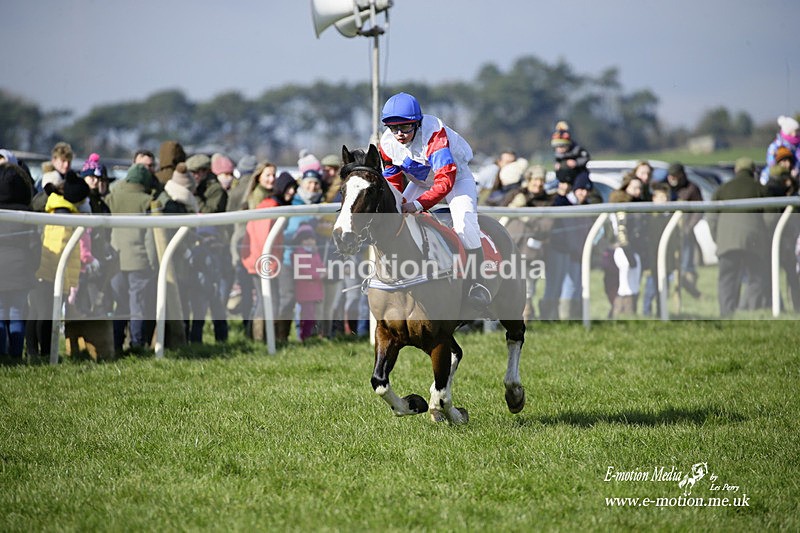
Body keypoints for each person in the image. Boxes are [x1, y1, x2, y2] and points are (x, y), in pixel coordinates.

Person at [377, 92, 490, 307]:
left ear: (417, 124)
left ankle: (478, 283)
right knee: (394, 216)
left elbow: (445, 181)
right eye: (394, 128)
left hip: (456, 179)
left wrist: (417, 205)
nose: (399, 134)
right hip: (421, 181)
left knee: (465, 224)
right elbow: (392, 179)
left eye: (405, 127)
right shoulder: (387, 143)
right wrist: (398, 202)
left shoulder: (434, 135)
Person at [27, 171, 91, 360]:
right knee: (45, 315)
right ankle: (45, 353)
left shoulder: (59, 209)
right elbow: (57, 249)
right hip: (49, 274)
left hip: (48, 273)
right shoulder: (62, 214)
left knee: (38, 313)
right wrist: (58, 276)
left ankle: (35, 352)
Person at [105, 164, 161, 351]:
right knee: (138, 306)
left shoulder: (112, 198)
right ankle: (136, 344)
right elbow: (150, 238)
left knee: (119, 306)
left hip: (115, 260)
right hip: (139, 261)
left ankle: (116, 343)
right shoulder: (147, 201)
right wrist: (154, 264)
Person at [707, 158, 770, 317]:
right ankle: (748, 311)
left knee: (727, 280)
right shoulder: (760, 188)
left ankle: (727, 315)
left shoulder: (722, 189)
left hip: (727, 242)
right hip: (753, 241)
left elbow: (711, 217)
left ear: (736, 171)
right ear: (753, 171)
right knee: (757, 278)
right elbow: (771, 217)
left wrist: (718, 238)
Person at [240, 172, 297, 343]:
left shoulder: (273, 204)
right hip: (262, 261)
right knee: (266, 301)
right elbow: (262, 238)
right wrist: (267, 263)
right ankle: (259, 339)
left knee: (267, 300)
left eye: (294, 188)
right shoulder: (271, 206)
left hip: (264, 260)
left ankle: (263, 338)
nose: (292, 192)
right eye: (289, 188)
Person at [540, 171, 595, 320]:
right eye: (581, 189)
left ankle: (563, 317)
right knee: (554, 285)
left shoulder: (579, 204)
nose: (584, 193)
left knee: (567, 285)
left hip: (570, 250)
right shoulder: (560, 201)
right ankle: (548, 317)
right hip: (556, 248)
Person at [0, 163, 39, 362]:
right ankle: (16, 356)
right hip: (20, 270)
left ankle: (3, 354)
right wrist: (33, 267)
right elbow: (35, 247)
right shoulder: (26, 214)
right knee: (16, 314)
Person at [505, 165, 554, 320]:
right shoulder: (516, 194)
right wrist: (513, 206)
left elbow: (546, 226)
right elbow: (498, 213)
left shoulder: (548, 201)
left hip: (531, 254)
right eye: (535, 180)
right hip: (509, 249)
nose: (538, 184)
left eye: (541, 180)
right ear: (529, 180)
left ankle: (525, 320)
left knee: (527, 289)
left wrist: (524, 214)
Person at [606, 173, 646, 317]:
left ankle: (630, 314)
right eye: (634, 188)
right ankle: (622, 315)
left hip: (633, 249)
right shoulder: (622, 205)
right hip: (625, 249)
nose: (638, 191)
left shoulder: (636, 203)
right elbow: (621, 231)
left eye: (639, 188)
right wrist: (628, 252)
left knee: (633, 284)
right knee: (626, 285)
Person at [666, 162, 703, 299]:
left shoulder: (692, 188)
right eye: (670, 176)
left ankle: (692, 292)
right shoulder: (666, 188)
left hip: (685, 233)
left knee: (687, 267)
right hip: (668, 234)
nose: (672, 179)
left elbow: (699, 211)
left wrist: (688, 228)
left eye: (675, 176)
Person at [291, 224, 325, 342]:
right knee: (307, 316)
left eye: (311, 239)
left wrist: (324, 271)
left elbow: (319, 265)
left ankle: (312, 336)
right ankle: (304, 337)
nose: (309, 241)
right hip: (305, 292)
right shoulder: (297, 253)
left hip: (315, 290)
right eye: (306, 239)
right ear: (300, 241)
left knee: (315, 315)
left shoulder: (315, 253)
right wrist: (318, 274)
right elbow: (304, 270)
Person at [759, 115, 800, 185]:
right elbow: (771, 161)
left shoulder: (798, 145)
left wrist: (796, 169)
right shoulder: (776, 145)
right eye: (794, 131)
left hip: (794, 173)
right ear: (788, 131)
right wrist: (776, 170)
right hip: (778, 173)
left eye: (797, 130)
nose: (796, 133)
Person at [550, 121, 590, 185]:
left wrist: (576, 163)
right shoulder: (558, 154)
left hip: (577, 176)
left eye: (562, 146)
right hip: (562, 178)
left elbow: (586, 158)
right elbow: (556, 161)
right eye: (557, 147)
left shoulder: (577, 150)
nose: (560, 149)